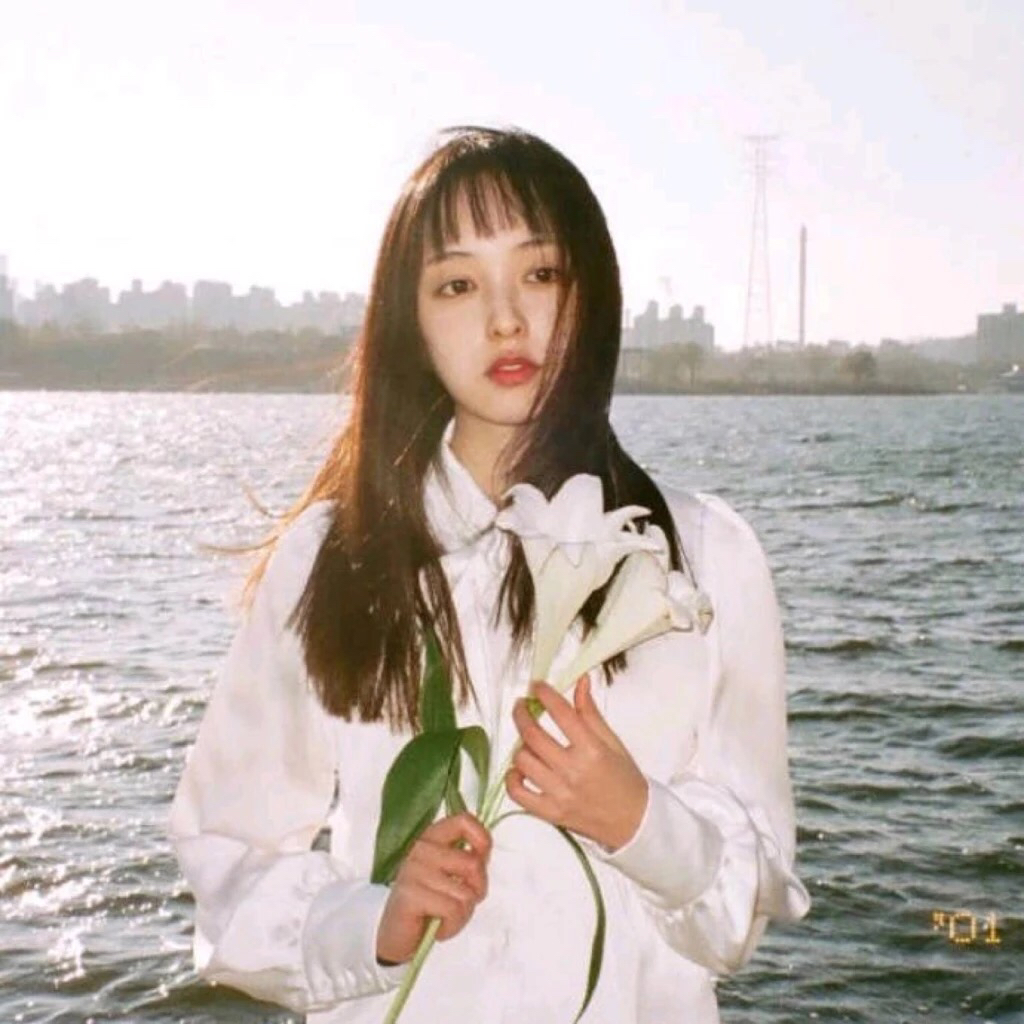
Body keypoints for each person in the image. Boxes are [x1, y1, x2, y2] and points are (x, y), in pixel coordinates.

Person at [169, 125, 810, 1023]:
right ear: (410, 320)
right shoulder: (329, 558)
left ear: (593, 293)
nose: (506, 319)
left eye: (540, 274)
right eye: (458, 284)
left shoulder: (703, 558)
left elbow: (743, 913)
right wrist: (375, 924)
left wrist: (637, 820)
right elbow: (228, 860)